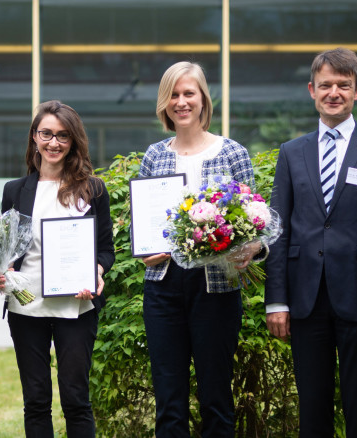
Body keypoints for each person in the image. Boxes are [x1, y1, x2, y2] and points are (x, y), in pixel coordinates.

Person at [264, 48, 357, 437]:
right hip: (305, 299)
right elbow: (279, 230)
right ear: (312, 90)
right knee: (312, 407)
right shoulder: (292, 153)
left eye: (343, 85)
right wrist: (277, 300)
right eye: (325, 85)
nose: (334, 92)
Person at [138, 61, 263, 437]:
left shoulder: (232, 153)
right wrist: (144, 250)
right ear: (165, 103)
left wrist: (250, 249)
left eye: (188, 93)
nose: (181, 102)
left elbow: (257, 222)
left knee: (216, 397)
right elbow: (143, 224)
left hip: (216, 288)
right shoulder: (154, 156)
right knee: (169, 399)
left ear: (203, 98)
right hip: (162, 285)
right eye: (173, 95)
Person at [0, 100, 113, 437]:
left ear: (73, 141)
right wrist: (1, 270)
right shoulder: (15, 191)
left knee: (76, 399)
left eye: (63, 136)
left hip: (76, 304)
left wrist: (98, 271)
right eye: (46, 134)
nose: (54, 143)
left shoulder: (93, 189)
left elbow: (105, 250)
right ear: (34, 136)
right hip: (26, 303)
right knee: (36, 399)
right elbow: (7, 250)